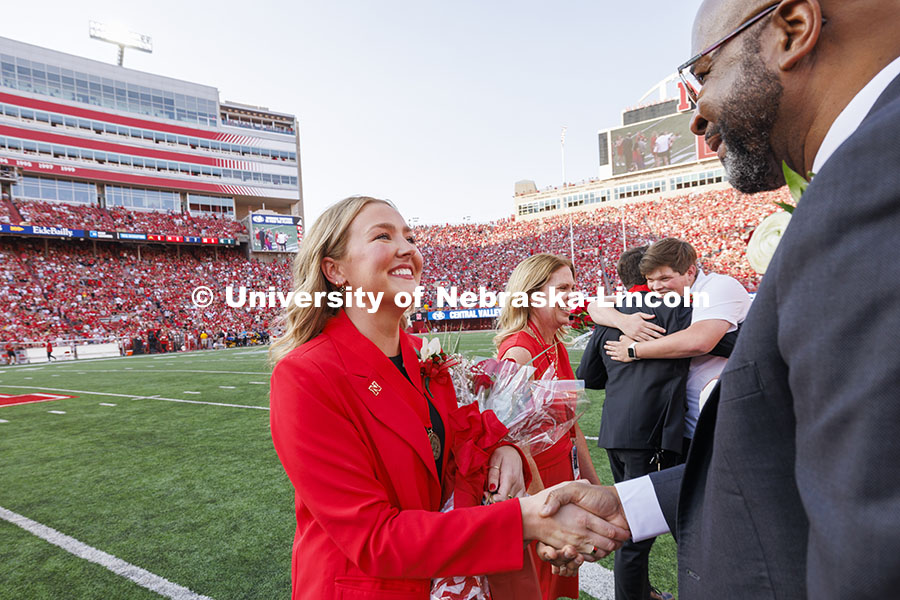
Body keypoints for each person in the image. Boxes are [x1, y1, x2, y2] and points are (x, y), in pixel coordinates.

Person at [538, 1, 900, 597]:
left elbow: (875, 524)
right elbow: (796, 455)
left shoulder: (870, 183)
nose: (697, 117)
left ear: (794, 30)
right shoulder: (856, 181)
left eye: (703, 74)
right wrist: (632, 506)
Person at [268, 197, 628, 600]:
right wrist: (526, 520)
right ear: (335, 270)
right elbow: (374, 539)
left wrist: (504, 449)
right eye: (383, 236)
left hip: (449, 581)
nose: (407, 247)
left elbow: (462, 438)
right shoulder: (305, 374)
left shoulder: (421, 352)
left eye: (410, 236)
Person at [577, 246, 738, 600]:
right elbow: (721, 342)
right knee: (647, 525)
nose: (659, 285)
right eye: (656, 278)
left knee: (639, 520)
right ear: (647, 279)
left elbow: (588, 375)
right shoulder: (676, 311)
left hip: (615, 430)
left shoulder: (613, 314)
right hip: (652, 433)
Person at [494, 253, 602, 600]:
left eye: (574, 287)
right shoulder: (518, 352)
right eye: (563, 288)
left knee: (557, 582)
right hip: (537, 486)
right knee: (537, 584)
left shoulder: (555, 345)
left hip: (563, 475)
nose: (572, 295)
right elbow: (510, 439)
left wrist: (594, 486)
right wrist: (544, 504)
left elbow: (572, 425)